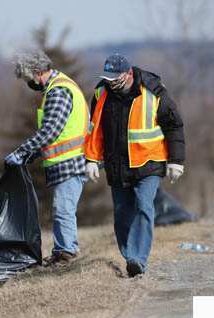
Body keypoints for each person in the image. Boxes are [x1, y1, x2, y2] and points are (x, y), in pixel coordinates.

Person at [85, 54, 185, 277]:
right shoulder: (101, 93)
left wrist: (176, 161)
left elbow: (174, 126)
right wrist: (91, 159)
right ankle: (129, 255)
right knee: (122, 213)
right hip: (117, 163)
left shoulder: (153, 92)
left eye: (115, 78)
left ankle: (138, 259)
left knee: (143, 205)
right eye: (108, 78)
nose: (111, 82)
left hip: (149, 161)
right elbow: (96, 129)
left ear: (128, 74)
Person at [8, 51, 89, 266]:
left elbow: (50, 131)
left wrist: (22, 152)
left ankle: (67, 254)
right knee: (62, 209)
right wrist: (33, 154)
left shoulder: (58, 91)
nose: (29, 84)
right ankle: (62, 250)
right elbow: (53, 135)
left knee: (63, 210)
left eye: (28, 79)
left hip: (70, 162)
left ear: (37, 72)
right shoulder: (59, 86)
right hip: (64, 162)